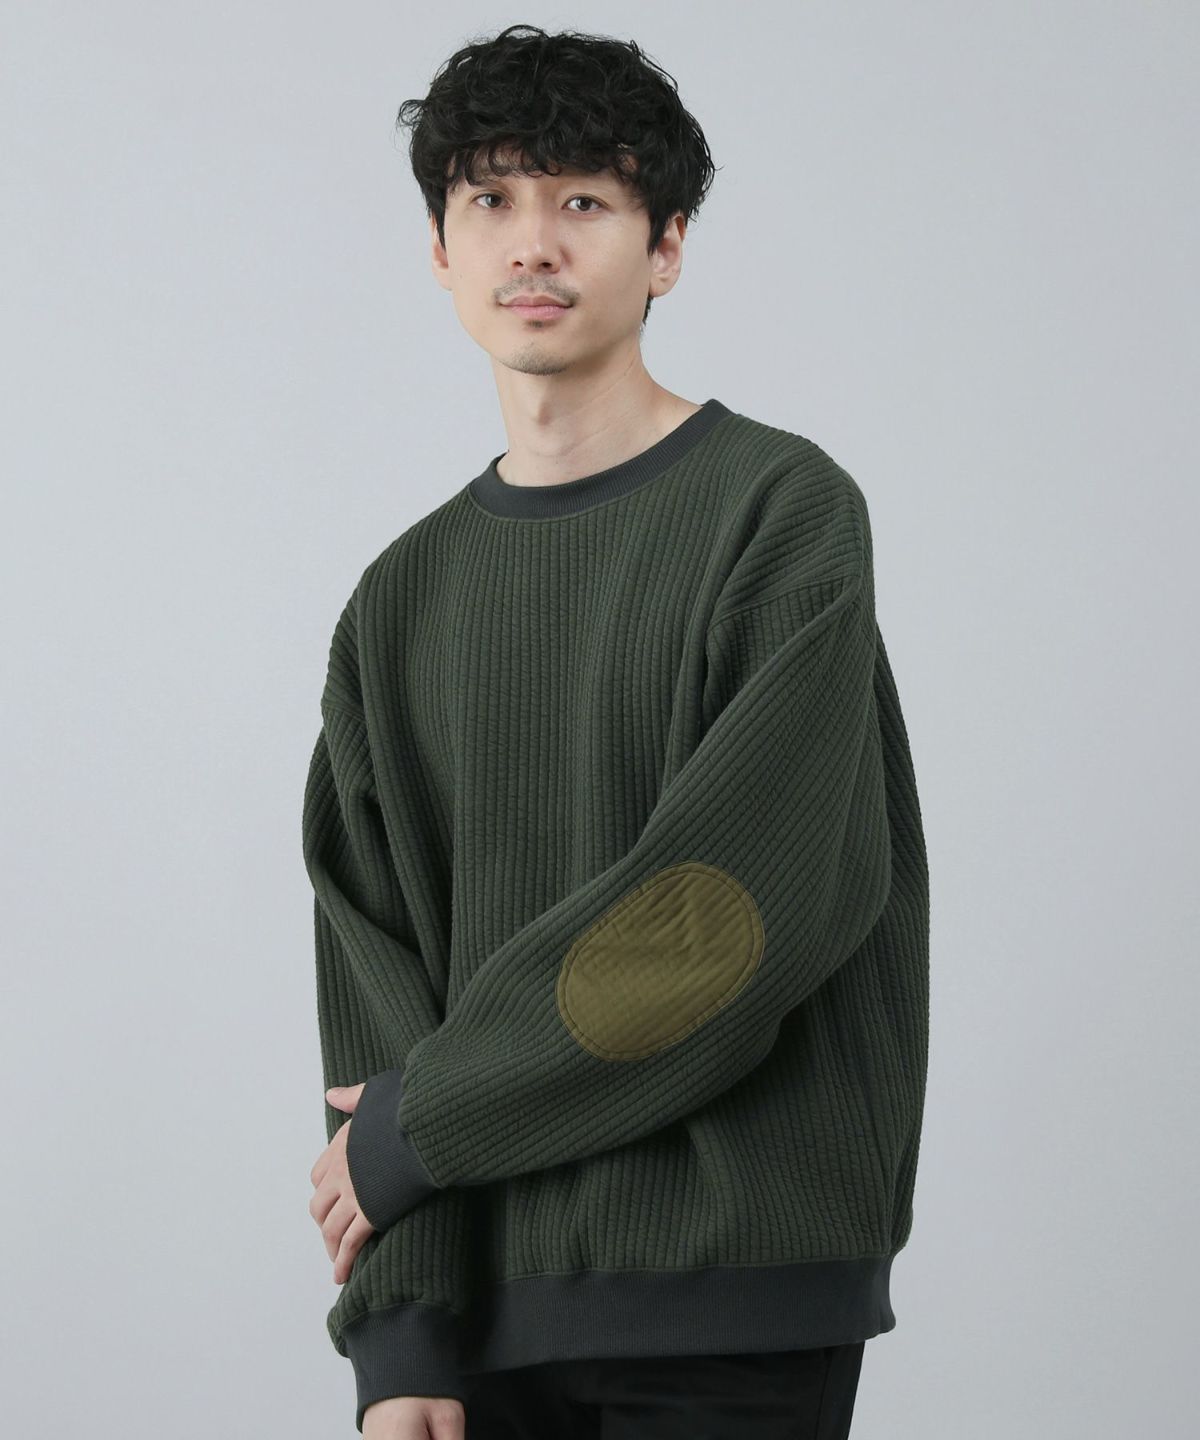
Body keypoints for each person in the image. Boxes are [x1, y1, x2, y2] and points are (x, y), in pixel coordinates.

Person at [302, 21, 930, 1440]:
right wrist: (399, 1335)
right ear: (441, 249)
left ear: (668, 247)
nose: (533, 242)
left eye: (583, 199)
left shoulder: (781, 515)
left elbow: (733, 909)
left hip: (734, 1282)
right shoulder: (400, 601)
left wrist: (425, 1123)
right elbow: (374, 980)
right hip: (476, 1306)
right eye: (491, 199)